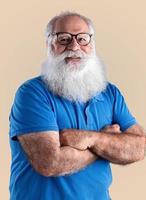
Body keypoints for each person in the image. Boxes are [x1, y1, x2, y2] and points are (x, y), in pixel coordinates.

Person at [9, 11, 146, 200]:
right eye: (64, 39)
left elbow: (139, 147)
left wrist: (92, 139)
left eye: (82, 39)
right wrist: (107, 145)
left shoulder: (110, 94)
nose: (74, 46)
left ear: (92, 45)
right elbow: (50, 162)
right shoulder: (32, 93)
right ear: (49, 45)